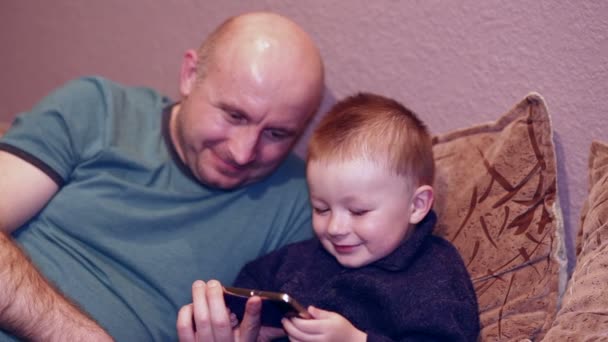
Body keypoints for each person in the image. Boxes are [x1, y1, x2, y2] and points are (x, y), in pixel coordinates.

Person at [0, 11, 324, 341]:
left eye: (277, 134)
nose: (243, 153)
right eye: (234, 115)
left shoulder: (304, 205)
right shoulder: (98, 110)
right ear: (189, 74)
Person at [179, 93, 480, 341]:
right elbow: (252, 283)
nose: (335, 228)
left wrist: (356, 340)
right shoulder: (299, 260)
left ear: (417, 205)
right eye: (321, 209)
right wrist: (241, 319)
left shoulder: (433, 273)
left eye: (358, 211)